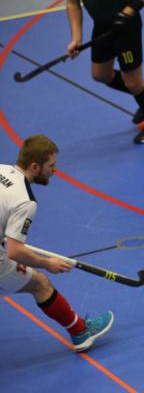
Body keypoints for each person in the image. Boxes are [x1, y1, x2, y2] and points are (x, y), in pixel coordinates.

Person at [1, 135, 113, 352]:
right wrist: (47, 263)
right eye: (51, 166)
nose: (55, 170)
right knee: (40, 284)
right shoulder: (25, 200)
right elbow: (14, 251)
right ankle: (81, 332)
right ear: (35, 167)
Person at [65, 0, 144, 144]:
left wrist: (127, 13)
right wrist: (76, 38)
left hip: (126, 25)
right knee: (101, 75)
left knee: (132, 82)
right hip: (102, 27)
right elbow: (72, 3)